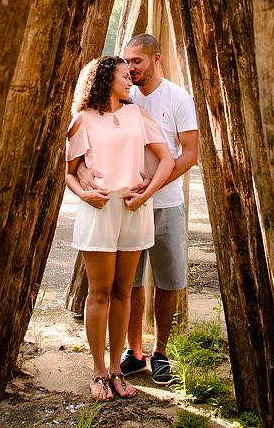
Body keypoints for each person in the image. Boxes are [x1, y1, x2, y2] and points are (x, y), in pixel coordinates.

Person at [78, 34, 199, 386]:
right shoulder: (118, 102)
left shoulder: (176, 98)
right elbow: (79, 152)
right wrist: (85, 176)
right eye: (126, 64)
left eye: (137, 63)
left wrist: (151, 189)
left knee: (169, 279)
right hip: (123, 207)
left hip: (165, 202)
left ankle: (160, 352)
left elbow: (188, 153)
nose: (131, 70)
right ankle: (134, 351)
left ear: (156, 59)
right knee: (127, 285)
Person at [64, 55, 175, 402]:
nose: (131, 82)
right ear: (104, 80)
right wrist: (85, 194)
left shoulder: (137, 115)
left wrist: (147, 195)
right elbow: (69, 171)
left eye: (131, 76)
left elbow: (168, 160)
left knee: (124, 292)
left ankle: (115, 369)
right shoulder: (82, 120)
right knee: (99, 292)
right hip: (99, 210)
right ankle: (97, 372)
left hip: (134, 208)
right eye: (125, 77)